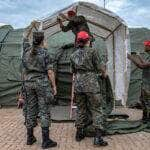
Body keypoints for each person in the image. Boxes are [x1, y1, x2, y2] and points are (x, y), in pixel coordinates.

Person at [70, 31, 108, 146]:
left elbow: (72, 71)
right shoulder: (93, 51)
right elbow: (101, 67)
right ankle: (98, 139)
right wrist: (104, 74)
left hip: (78, 85)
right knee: (96, 109)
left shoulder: (73, 55)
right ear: (88, 40)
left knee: (81, 109)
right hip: (91, 85)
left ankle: (79, 134)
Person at [22, 31, 57, 149]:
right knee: (44, 110)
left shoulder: (27, 51)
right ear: (42, 40)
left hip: (28, 83)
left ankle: (30, 137)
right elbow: (50, 71)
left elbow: (24, 37)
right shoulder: (45, 53)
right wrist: (54, 86)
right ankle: (46, 141)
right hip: (41, 83)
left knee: (30, 109)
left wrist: (31, 26)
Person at [128, 40, 150, 123]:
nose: (144, 47)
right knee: (143, 100)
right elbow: (144, 63)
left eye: (146, 46)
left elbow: (141, 65)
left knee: (147, 101)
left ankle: (148, 119)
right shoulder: (148, 56)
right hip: (145, 83)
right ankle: (145, 117)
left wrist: (131, 58)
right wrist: (138, 56)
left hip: (148, 84)